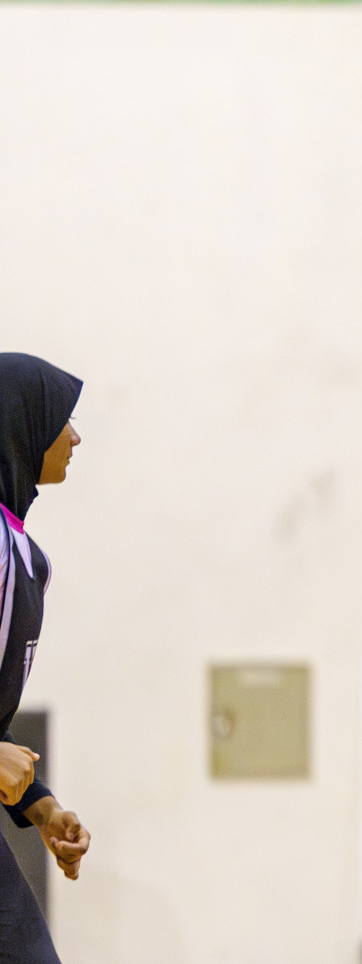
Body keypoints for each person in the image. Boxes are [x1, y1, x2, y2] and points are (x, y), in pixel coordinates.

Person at [1, 353, 93, 964]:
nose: (76, 436)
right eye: (63, 418)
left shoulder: (24, 555)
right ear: (23, 424)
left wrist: (39, 805)